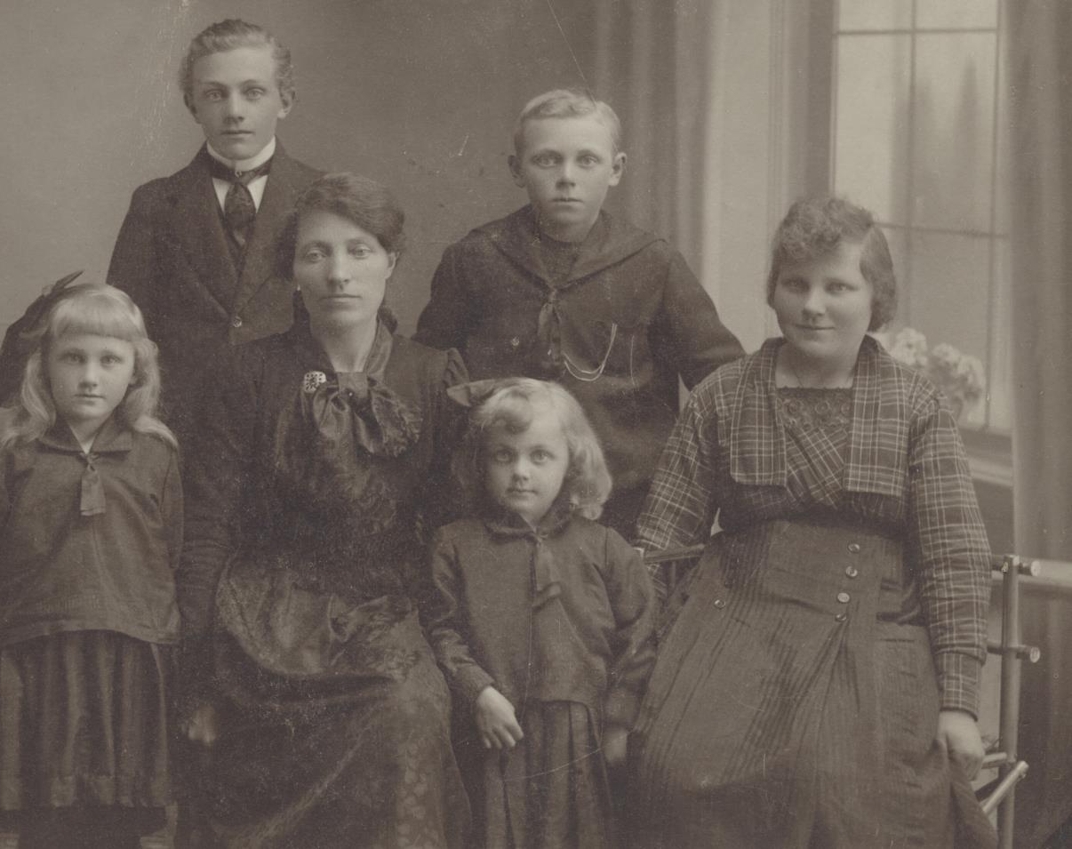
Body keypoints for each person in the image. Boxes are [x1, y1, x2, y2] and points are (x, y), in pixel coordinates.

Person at [627, 196, 996, 848]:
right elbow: (661, 546)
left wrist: (959, 703)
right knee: (673, 772)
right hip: (738, 630)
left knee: (847, 787)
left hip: (877, 633)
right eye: (795, 284)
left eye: (838, 287)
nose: (813, 305)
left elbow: (954, 557)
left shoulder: (915, 405)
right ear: (773, 291)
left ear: (876, 297)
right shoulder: (723, 396)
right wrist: (630, 686)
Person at [177, 173, 471, 848]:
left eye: (358, 251)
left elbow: (453, 530)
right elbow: (209, 527)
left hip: (386, 607)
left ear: (391, 261)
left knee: (407, 706)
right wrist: (196, 678)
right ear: (292, 270)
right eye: (316, 254)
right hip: (263, 612)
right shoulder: (246, 374)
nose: (338, 273)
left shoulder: (432, 374)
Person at [414, 87, 744, 538]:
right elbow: (428, 378)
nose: (567, 177)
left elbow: (722, 382)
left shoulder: (653, 262)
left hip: (623, 506)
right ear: (516, 168)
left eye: (586, 160)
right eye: (546, 160)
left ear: (616, 169)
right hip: (502, 503)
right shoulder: (475, 258)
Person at [0, 279, 182, 849]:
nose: (90, 376)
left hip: (127, 663)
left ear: (137, 372)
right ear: (44, 367)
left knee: (118, 822)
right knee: (45, 821)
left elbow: (171, 561)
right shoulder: (10, 458)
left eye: (109, 360)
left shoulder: (156, 455)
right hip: (37, 663)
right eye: (73, 358)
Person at [427, 377, 654, 848]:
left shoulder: (605, 547)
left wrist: (618, 720)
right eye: (503, 455)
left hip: (581, 737)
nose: (520, 472)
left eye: (540, 456)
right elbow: (439, 631)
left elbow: (640, 635)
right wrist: (478, 691)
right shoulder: (455, 545)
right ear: (481, 461)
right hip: (498, 731)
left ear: (573, 462)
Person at [107, 18, 322, 438]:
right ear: (192, 106)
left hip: (297, 422)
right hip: (186, 429)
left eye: (253, 92)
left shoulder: (323, 196)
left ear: (285, 101)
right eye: (215, 94)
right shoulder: (155, 203)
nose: (234, 111)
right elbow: (124, 330)